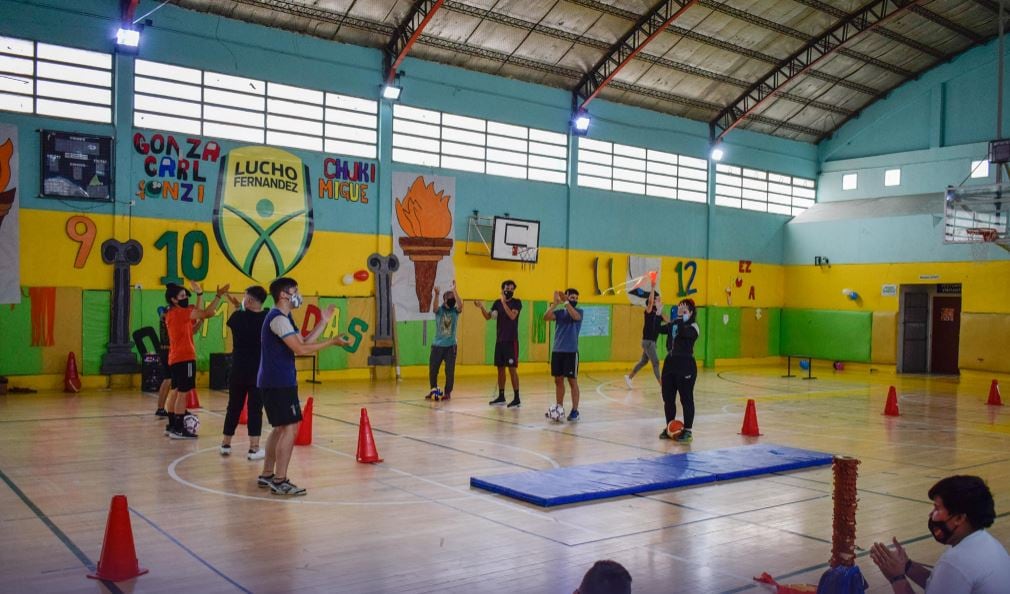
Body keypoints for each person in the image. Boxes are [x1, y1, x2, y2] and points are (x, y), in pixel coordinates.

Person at [257, 277, 349, 496]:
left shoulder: (285, 318)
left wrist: (323, 322)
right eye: (294, 290)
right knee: (290, 428)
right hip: (278, 381)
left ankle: (268, 474)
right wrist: (331, 342)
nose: (298, 294)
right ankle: (280, 481)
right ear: (283, 295)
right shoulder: (278, 319)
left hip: (275, 380)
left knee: (280, 428)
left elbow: (304, 342)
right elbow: (300, 350)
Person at [870, 475, 1010, 593]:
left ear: (959, 518)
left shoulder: (957, 562)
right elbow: (943, 585)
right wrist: (907, 565)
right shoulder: (983, 541)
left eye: (937, 508)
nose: (931, 514)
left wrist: (896, 578)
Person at [164, 281, 229, 439]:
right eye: (182, 295)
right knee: (183, 394)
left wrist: (200, 298)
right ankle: (179, 428)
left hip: (175, 358)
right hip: (185, 358)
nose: (186, 297)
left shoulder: (173, 314)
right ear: (174, 299)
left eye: (186, 295)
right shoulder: (180, 313)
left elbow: (193, 328)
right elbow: (205, 312)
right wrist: (218, 296)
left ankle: (172, 424)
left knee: (176, 391)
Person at [220, 286, 269, 459]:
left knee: (233, 407)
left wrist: (236, 305)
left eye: (245, 297)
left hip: (238, 370)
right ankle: (254, 448)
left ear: (249, 301)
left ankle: (226, 444)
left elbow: (240, 315)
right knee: (255, 409)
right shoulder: (267, 318)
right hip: (258, 372)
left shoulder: (237, 318)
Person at [474, 279, 522, 408]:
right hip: (500, 341)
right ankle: (501, 396)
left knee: (512, 369)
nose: (510, 290)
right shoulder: (497, 303)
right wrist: (481, 307)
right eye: (507, 288)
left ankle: (517, 397)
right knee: (500, 369)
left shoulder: (516, 303)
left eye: (512, 288)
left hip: (511, 341)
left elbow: (512, 316)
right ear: (502, 289)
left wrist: (503, 302)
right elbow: (488, 317)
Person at [658, 299, 699, 442]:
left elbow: (683, 332)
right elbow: (656, 329)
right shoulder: (674, 324)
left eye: (685, 311)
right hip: (670, 363)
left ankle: (688, 431)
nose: (680, 313)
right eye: (679, 310)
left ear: (691, 313)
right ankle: (670, 425)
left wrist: (680, 317)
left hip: (686, 364)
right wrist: (657, 312)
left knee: (686, 398)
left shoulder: (694, 327)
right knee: (668, 398)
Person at [545, 289, 583, 421]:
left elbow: (575, 317)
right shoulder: (560, 313)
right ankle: (559, 408)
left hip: (571, 352)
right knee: (558, 380)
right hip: (557, 351)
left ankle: (575, 411)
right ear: (567, 297)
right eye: (572, 297)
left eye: (576, 298)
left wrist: (566, 302)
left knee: (572, 381)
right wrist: (555, 304)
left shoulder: (579, 312)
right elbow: (546, 317)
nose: (575, 300)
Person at [428, 280, 462, 401]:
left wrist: (454, 290)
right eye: (450, 298)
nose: (452, 299)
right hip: (437, 345)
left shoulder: (455, 311)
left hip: (451, 346)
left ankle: (448, 392)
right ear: (445, 300)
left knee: (449, 371)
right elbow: (435, 308)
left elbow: (461, 305)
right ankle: (433, 389)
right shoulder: (440, 310)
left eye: (453, 298)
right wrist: (436, 294)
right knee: (433, 369)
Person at [625, 285, 663, 388]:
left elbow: (668, 320)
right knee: (655, 362)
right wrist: (653, 287)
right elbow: (650, 302)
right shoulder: (648, 311)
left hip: (651, 343)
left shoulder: (657, 313)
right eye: (656, 300)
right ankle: (662, 385)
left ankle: (629, 377)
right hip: (648, 342)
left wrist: (660, 310)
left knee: (644, 361)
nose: (658, 301)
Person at [153, 302, 172, 418]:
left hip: (165, 350)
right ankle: (162, 408)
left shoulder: (163, 315)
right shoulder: (167, 317)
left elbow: (160, 308)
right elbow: (160, 308)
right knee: (168, 379)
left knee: (168, 379)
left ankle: (161, 407)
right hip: (168, 351)